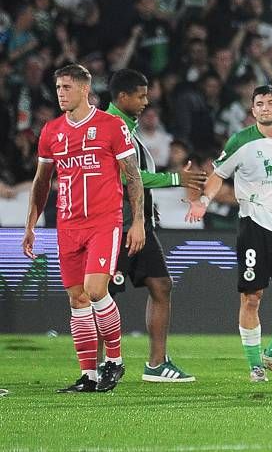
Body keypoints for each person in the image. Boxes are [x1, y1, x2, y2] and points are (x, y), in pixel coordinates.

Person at [23, 63, 143, 392]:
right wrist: (31, 224)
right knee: (77, 299)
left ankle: (115, 361)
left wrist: (139, 221)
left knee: (94, 290)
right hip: (68, 225)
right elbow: (41, 182)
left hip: (104, 221)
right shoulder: (51, 132)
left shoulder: (111, 126)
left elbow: (132, 177)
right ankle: (88, 375)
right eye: (58, 88)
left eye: (66, 87)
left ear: (84, 89)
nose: (60, 93)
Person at [190, 85, 272, 383]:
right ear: (253, 110)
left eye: (270, 102)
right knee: (252, 297)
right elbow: (218, 175)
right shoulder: (241, 141)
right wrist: (204, 201)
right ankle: (254, 364)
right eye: (259, 104)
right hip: (254, 227)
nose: (265, 108)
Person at [106, 69, 206, 382]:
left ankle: (156, 363)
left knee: (161, 285)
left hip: (140, 222)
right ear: (123, 97)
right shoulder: (113, 127)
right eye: (140, 95)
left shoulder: (129, 129)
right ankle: (97, 366)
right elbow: (126, 178)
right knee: (102, 293)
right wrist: (176, 178)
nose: (146, 101)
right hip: (119, 225)